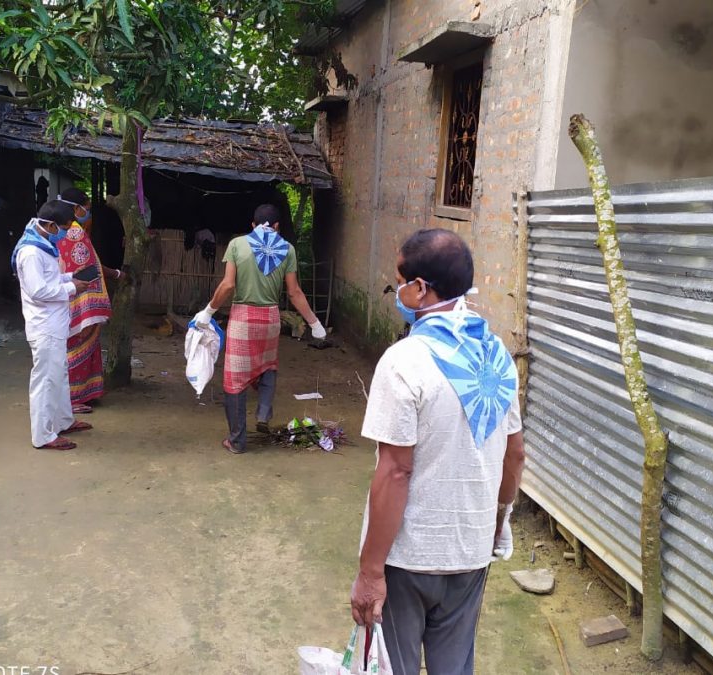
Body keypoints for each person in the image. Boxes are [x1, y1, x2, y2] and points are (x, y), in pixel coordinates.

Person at [349, 229, 525, 675]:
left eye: (399, 282)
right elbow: (514, 455)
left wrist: (371, 572)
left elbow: (394, 472)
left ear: (422, 289)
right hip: (470, 550)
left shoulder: (404, 361)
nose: (398, 292)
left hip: (409, 557)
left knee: (397, 666)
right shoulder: (497, 359)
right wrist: (497, 525)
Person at [192, 203, 327, 454]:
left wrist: (208, 311)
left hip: (243, 320)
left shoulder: (237, 245)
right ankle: (263, 412)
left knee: (235, 379)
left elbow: (228, 285)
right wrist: (314, 323)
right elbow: (294, 292)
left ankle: (237, 440)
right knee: (267, 365)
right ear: (277, 226)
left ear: (252, 226)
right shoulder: (287, 249)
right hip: (270, 320)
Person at [11, 200, 95, 451]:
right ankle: (43, 435)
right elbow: (38, 291)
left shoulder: (43, 244)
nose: (65, 232)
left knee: (59, 376)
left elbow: (50, 278)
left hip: (54, 324)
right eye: (63, 227)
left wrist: (71, 276)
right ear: (49, 225)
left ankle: (63, 421)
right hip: (44, 326)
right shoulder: (31, 253)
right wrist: (72, 287)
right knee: (46, 380)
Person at [56, 187, 123, 414]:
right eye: (87, 208)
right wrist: (116, 274)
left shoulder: (63, 229)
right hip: (80, 298)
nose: (88, 212)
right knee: (77, 345)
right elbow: (88, 267)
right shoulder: (74, 232)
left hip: (67, 296)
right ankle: (73, 397)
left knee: (81, 346)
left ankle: (83, 393)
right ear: (76, 209)